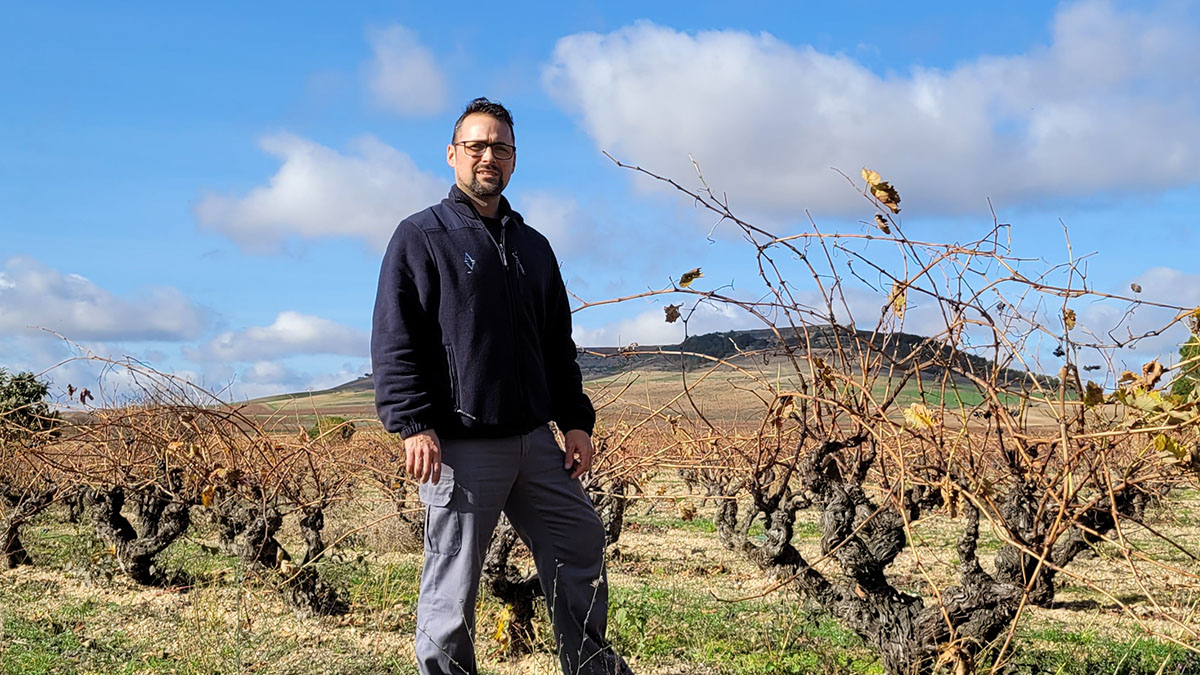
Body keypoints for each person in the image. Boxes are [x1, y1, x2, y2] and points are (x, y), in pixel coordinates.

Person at [371, 97, 631, 675]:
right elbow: (395, 337)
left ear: (514, 160)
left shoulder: (534, 247)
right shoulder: (420, 236)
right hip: (460, 446)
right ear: (452, 155)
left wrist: (576, 421)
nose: (489, 156)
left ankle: (590, 668)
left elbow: (556, 344)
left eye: (501, 148)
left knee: (580, 544)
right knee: (453, 584)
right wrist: (413, 423)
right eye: (477, 146)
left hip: (535, 441)